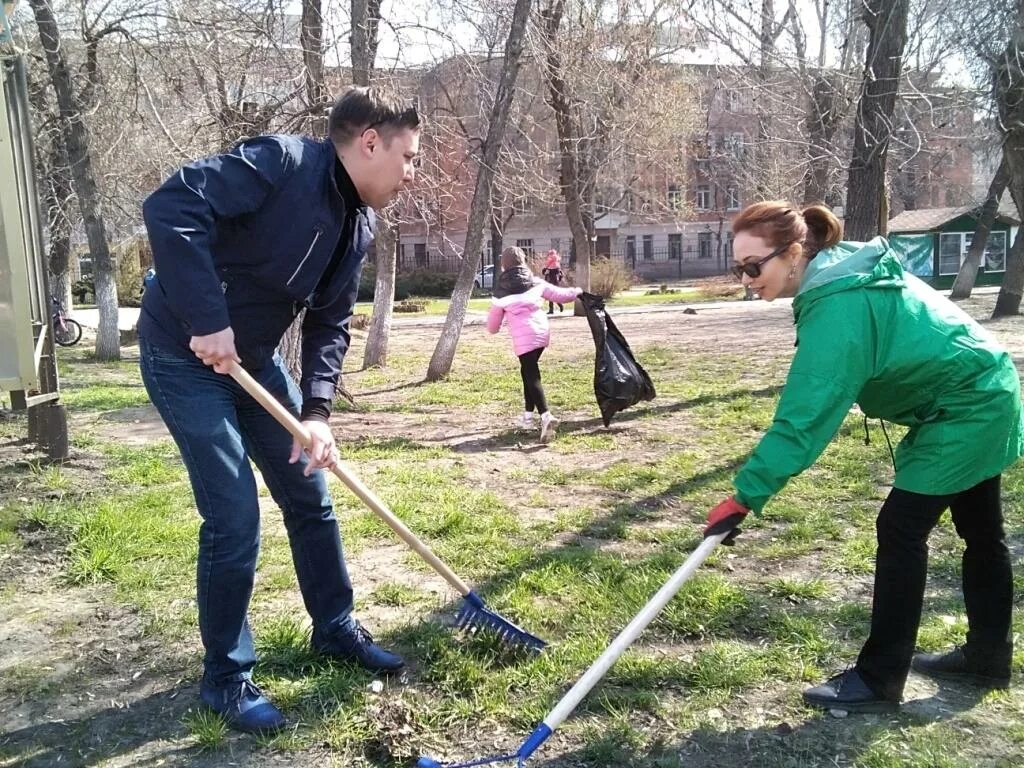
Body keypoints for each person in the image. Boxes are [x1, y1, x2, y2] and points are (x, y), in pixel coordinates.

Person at [138, 87, 420, 734]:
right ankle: (226, 678)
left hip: (255, 361)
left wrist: (317, 411)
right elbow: (172, 205)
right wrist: (207, 319)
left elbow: (329, 323)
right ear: (370, 141)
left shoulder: (359, 224)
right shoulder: (280, 163)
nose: (411, 173)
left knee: (309, 493)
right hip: (185, 355)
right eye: (407, 157)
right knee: (234, 514)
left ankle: (335, 627)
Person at [703, 201, 1021, 713]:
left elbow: (805, 417)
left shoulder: (839, 303)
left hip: (968, 404)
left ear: (793, 252)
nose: (745, 279)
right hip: (982, 389)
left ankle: (879, 680)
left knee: (902, 529)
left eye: (753, 266)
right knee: (981, 531)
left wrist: (746, 495)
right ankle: (987, 656)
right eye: (738, 268)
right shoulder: (841, 276)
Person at [487, 246, 581, 442]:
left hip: (524, 338)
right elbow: (561, 295)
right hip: (541, 334)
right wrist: (578, 291)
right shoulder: (536, 282)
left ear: (504, 266)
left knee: (531, 373)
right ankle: (528, 417)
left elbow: (492, 327)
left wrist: (498, 323)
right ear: (523, 263)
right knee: (527, 371)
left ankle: (546, 416)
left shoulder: (500, 294)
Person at [541, 249, 565, 314]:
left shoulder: (549, 267)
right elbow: (561, 275)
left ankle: (552, 309)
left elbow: (545, 274)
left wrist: (545, 270)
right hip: (555, 282)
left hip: (551, 282)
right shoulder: (558, 266)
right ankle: (559, 304)